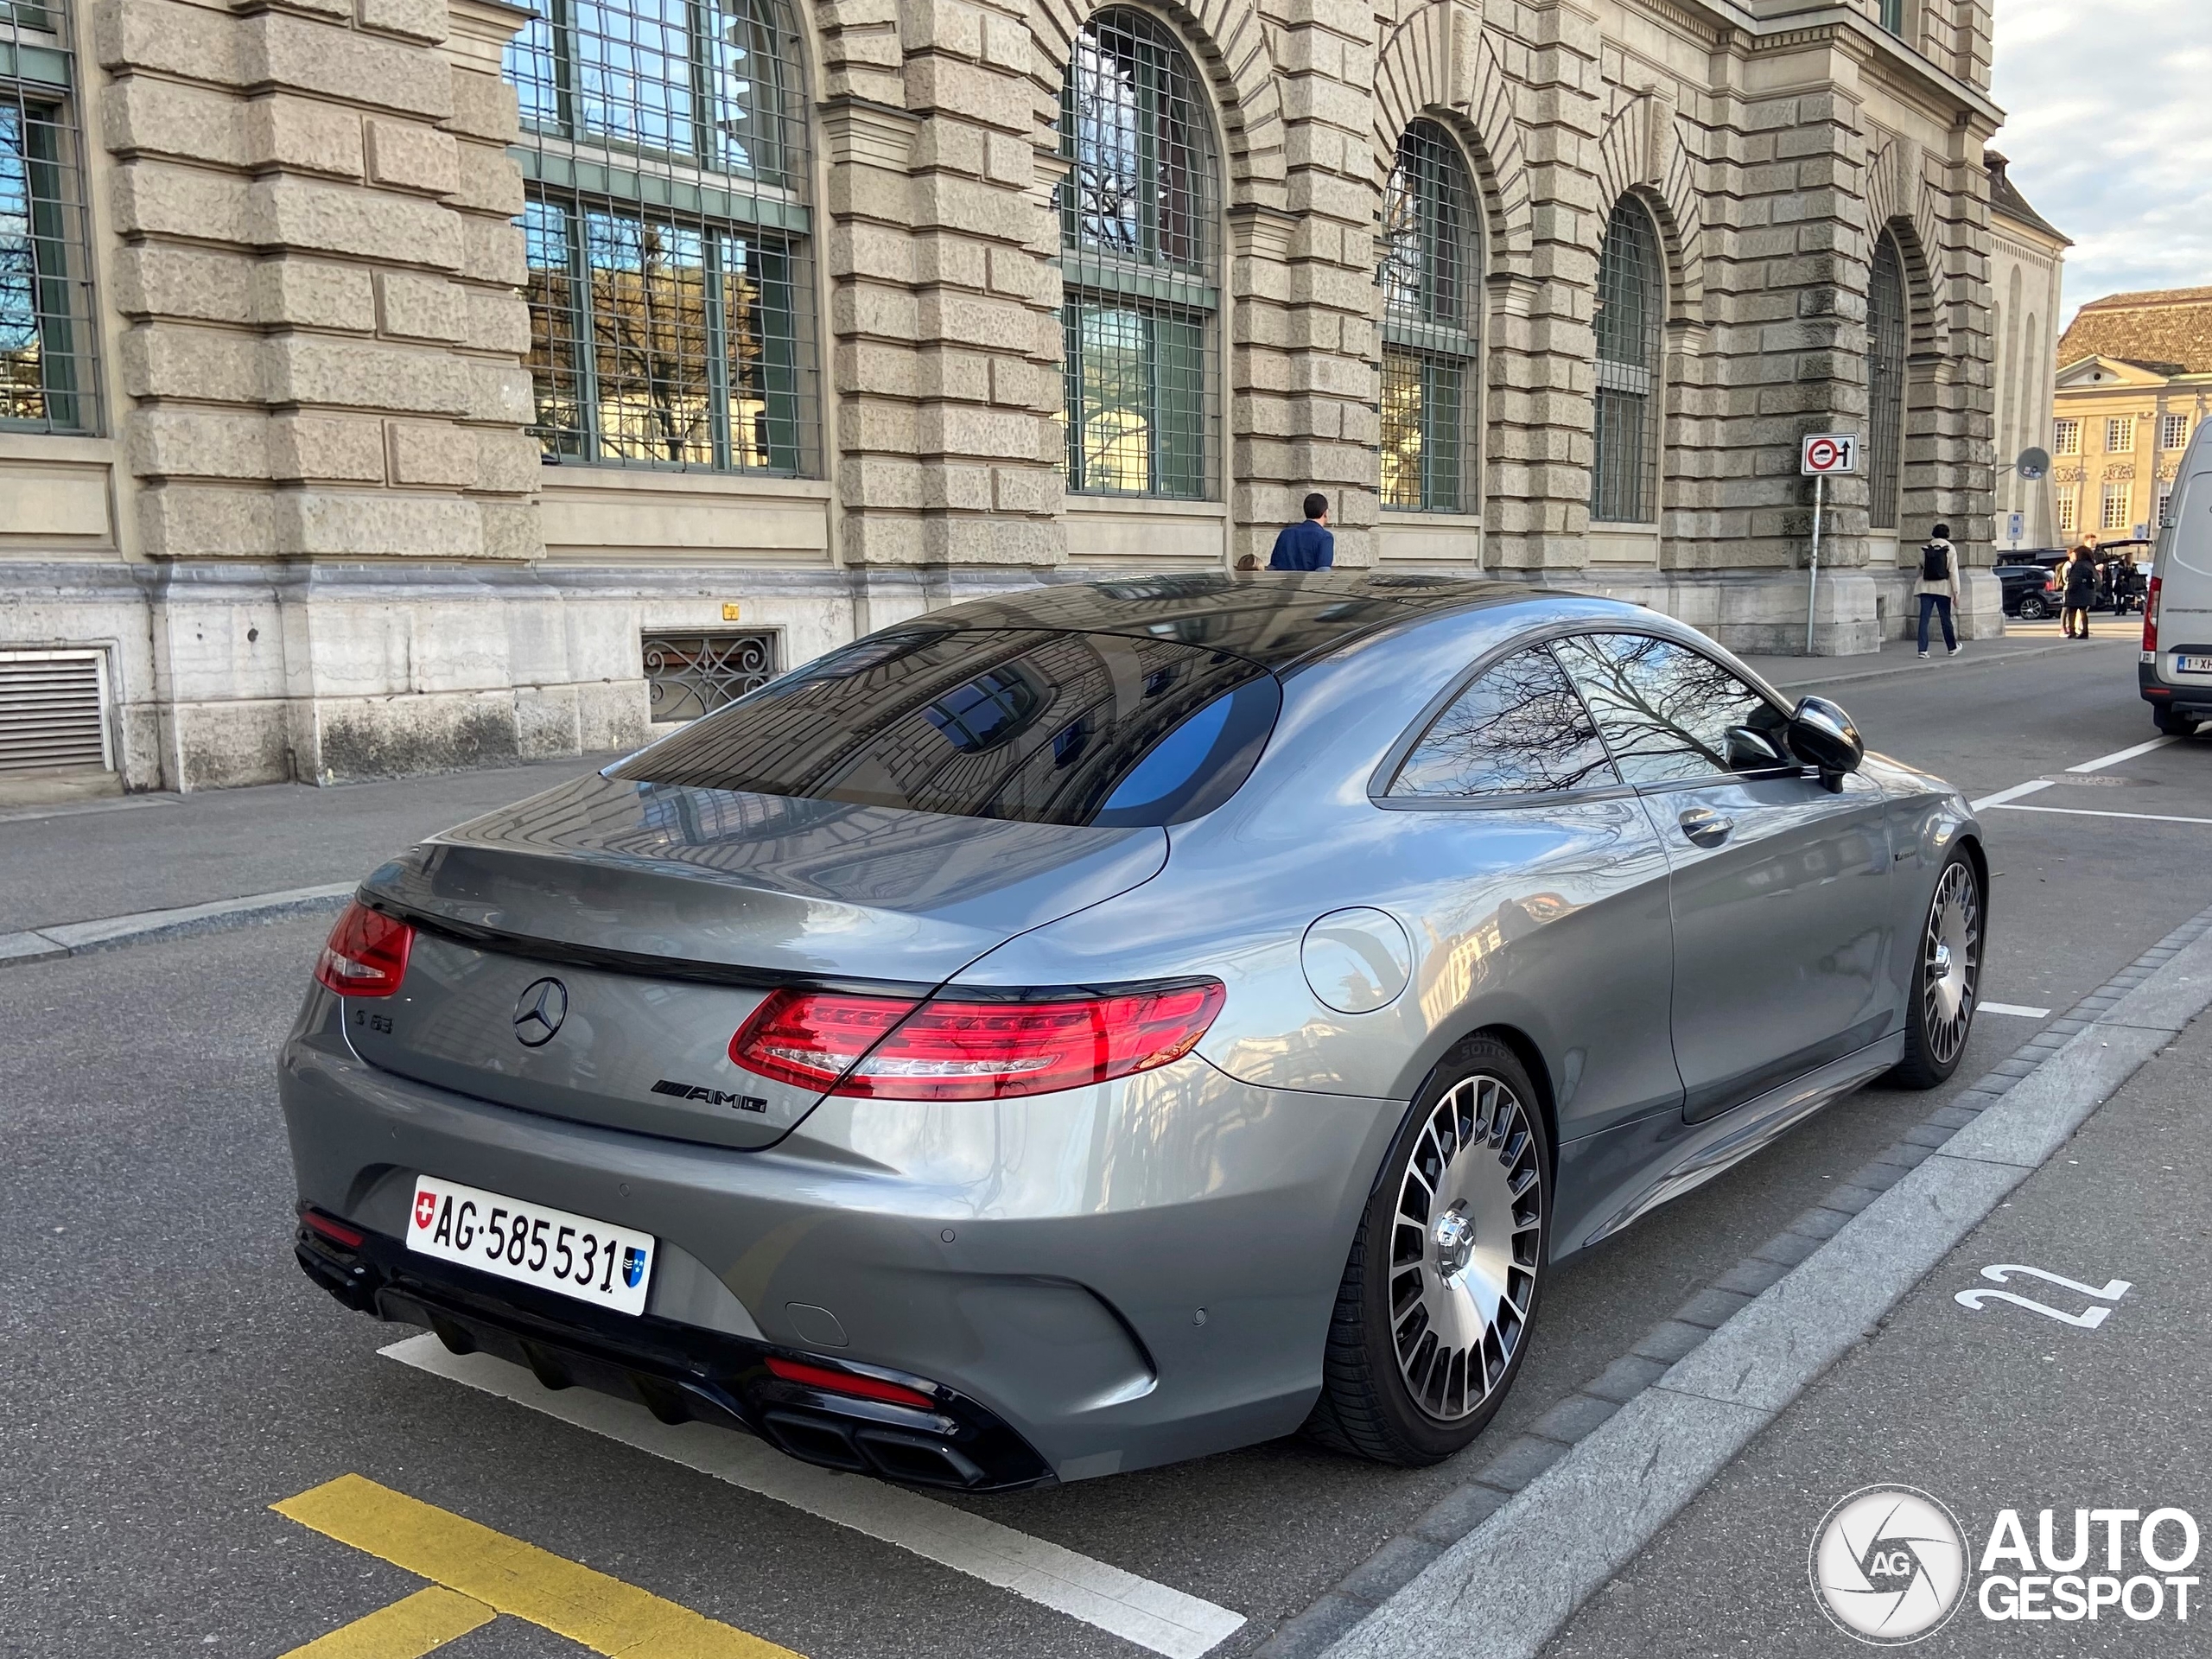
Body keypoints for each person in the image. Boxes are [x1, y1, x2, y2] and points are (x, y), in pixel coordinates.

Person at [1914, 522, 1962, 659]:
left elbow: (1919, 568)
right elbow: (1953, 572)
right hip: (1943, 588)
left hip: (1926, 587)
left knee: (1924, 619)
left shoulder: (1925, 548)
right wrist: (1956, 592)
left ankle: (1922, 650)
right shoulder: (1950, 549)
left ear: (1933, 534)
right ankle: (1952, 647)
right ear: (1947, 535)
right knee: (1945, 618)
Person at [1268, 493, 1334, 570]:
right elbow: (1323, 571)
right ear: (1325, 513)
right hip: (1309, 582)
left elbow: (1272, 568)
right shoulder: (1325, 537)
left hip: (1284, 582)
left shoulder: (1285, 534)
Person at [2062, 541, 2097, 639]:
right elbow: (2097, 579)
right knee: (2083, 611)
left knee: (2072, 611)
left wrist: (2070, 589)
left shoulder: (2078, 565)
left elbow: (2075, 579)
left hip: (2076, 592)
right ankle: (2084, 631)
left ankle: (2072, 631)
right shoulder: (2090, 565)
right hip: (2087, 591)